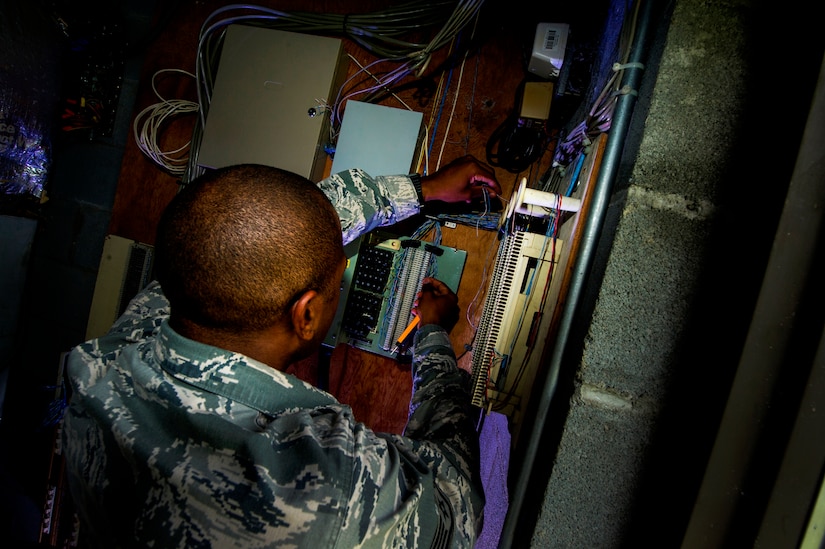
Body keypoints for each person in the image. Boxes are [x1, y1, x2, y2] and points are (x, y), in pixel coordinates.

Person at [61, 156, 502, 548]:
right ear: (306, 315)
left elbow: (277, 223)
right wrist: (433, 337)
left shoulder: (102, 366)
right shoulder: (324, 491)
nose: (341, 275)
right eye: (337, 277)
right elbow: (457, 501)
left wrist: (422, 189)